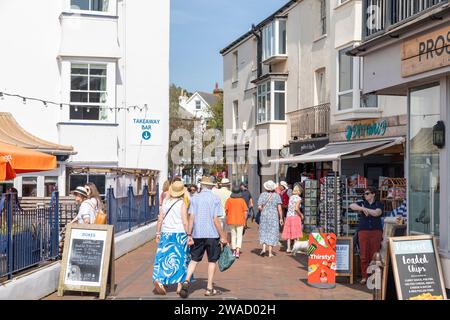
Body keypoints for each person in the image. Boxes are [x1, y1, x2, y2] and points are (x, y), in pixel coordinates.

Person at [178, 176, 228, 298]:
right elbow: (216, 219)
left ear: (202, 185)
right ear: (211, 186)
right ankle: (209, 288)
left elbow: (191, 218)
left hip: (197, 234)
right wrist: (223, 236)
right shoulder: (215, 199)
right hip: (212, 235)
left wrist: (189, 234)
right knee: (212, 261)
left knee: (194, 259)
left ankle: (186, 281)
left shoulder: (195, 198)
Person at [152, 181, 191, 296]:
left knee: (163, 258)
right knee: (181, 259)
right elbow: (185, 221)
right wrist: (189, 234)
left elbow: (160, 219)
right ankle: (179, 285)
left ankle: (159, 279)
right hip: (179, 234)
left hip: (166, 233)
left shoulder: (165, 201)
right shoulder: (182, 203)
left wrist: (158, 233)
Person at [350, 187, 384, 285]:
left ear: (373, 194)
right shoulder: (362, 203)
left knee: (375, 255)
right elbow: (351, 205)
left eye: (367, 193)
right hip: (363, 231)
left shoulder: (378, 204)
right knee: (364, 254)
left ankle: (374, 277)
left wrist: (365, 210)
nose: (365, 195)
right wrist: (362, 208)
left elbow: (377, 213)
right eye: (364, 194)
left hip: (376, 231)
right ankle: (365, 276)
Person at [257, 180, 283, 258]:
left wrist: (263, 210)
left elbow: (259, 206)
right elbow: (279, 208)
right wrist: (281, 218)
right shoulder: (277, 196)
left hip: (264, 215)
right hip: (274, 216)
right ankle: (270, 252)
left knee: (264, 230)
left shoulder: (262, 195)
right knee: (272, 232)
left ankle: (264, 249)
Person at [225, 187, 248, 258]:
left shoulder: (229, 200)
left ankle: (234, 250)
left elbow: (226, 210)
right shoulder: (242, 200)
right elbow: (245, 212)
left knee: (233, 235)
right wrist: (245, 220)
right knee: (239, 236)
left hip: (231, 220)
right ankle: (237, 251)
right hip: (240, 220)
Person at [281, 185, 303, 253]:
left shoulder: (291, 197)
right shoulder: (299, 198)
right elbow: (296, 208)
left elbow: (289, 206)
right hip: (295, 216)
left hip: (289, 216)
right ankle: (296, 248)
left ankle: (288, 248)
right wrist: (301, 214)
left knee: (289, 233)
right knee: (296, 233)